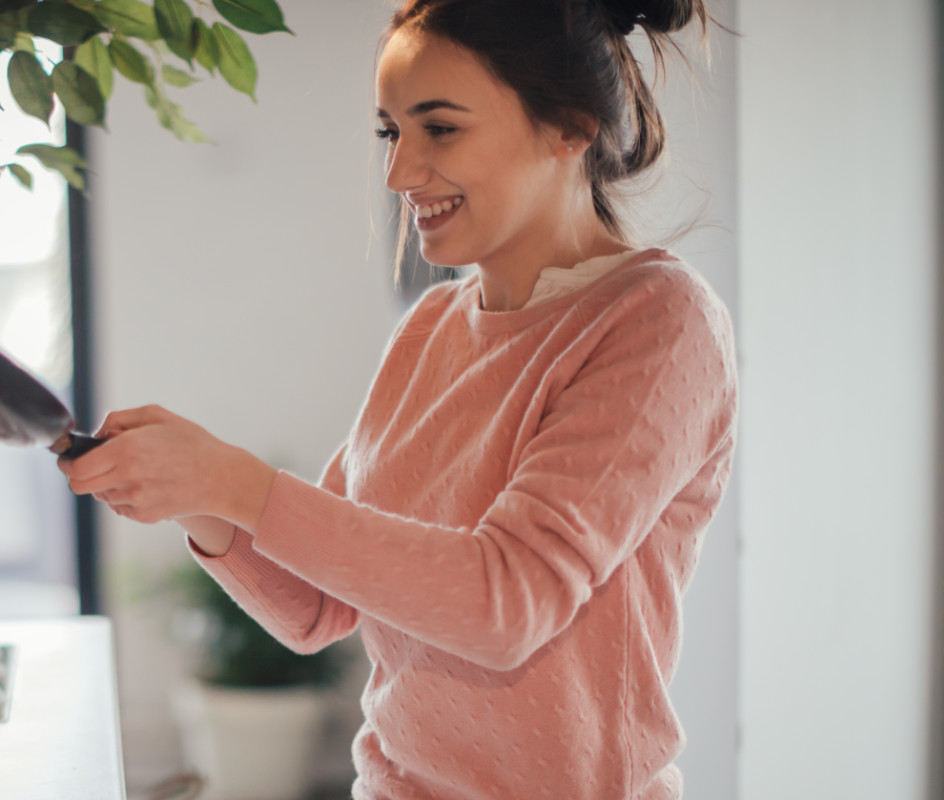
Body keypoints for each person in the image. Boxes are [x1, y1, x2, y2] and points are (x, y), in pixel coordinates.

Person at [58, 0, 736, 797]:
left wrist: (234, 482)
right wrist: (195, 495)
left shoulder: (657, 320)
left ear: (571, 127)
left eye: (439, 129)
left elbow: (505, 603)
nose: (398, 172)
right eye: (390, 132)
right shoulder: (431, 327)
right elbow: (314, 609)